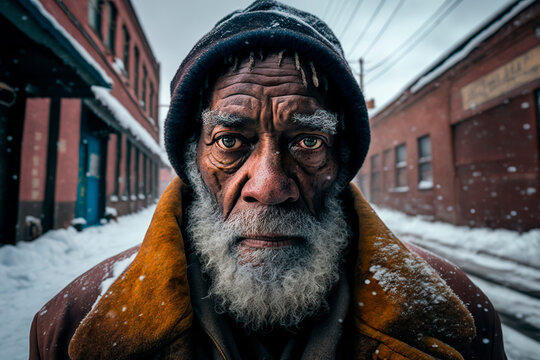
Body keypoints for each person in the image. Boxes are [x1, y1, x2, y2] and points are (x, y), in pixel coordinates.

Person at [29, 1, 506, 359]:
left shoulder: (458, 318)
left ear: (341, 161)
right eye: (230, 142)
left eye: (308, 142)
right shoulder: (73, 326)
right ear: (193, 161)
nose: (268, 184)